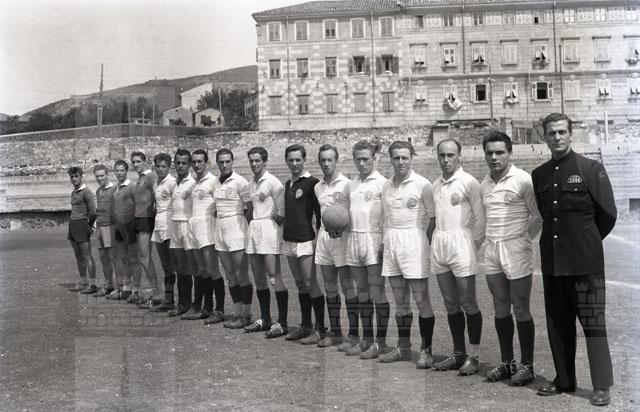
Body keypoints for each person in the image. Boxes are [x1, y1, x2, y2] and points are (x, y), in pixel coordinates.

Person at [532, 113, 616, 407]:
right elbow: (547, 214)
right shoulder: (540, 175)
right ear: (544, 137)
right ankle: (564, 379)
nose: (557, 137)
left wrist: (585, 243)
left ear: (570, 134)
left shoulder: (591, 169)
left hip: (585, 264)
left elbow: (607, 215)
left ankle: (601, 385)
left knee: (593, 323)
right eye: (551, 133)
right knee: (558, 324)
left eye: (561, 132)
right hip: (554, 263)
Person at [479, 132, 541, 385]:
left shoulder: (523, 179)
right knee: (499, 304)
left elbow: (537, 216)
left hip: (516, 248)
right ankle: (507, 363)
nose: (494, 157)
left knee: (520, 306)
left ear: (510, 153)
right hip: (492, 248)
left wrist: (524, 239)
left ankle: (527, 366)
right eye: (490, 153)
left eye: (500, 152)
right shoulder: (484, 183)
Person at [429, 139, 485, 375]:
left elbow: (480, 218)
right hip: (440, 243)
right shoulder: (435, 185)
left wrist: (473, 244)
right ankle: (458, 353)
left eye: (450, 155)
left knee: (468, 301)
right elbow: (433, 219)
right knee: (450, 303)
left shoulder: (469, 182)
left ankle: (475, 355)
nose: (446, 159)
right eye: (442, 155)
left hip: (461, 242)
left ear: (459, 156)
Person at [378, 141, 436, 368]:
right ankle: (403, 348)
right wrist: (384, 243)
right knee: (400, 301)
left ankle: (426, 351)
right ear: (390, 159)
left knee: (421, 299)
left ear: (412, 158)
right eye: (396, 157)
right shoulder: (386, 186)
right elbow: (385, 218)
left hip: (414, 241)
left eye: (405, 157)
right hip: (392, 242)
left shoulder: (423, 184)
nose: (400, 162)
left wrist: (422, 241)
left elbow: (433, 218)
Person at [346, 140, 391, 359]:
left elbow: (388, 217)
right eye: (358, 159)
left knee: (377, 291)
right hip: (354, 239)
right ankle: (366, 339)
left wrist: (383, 242)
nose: (362, 163)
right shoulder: (351, 185)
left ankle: (380, 343)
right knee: (361, 291)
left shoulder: (383, 183)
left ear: (374, 158)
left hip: (374, 239)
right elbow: (346, 214)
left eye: (366, 159)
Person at [313, 144, 359, 349]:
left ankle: (354, 334)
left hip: (342, 239)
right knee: (329, 286)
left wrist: (343, 228)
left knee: (348, 286)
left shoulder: (347, 185)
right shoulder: (318, 187)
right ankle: (336, 332)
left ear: (336, 160)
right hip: (324, 238)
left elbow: (352, 214)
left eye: (329, 160)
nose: (326, 164)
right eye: (323, 160)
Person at [243, 146, 290, 337]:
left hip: (269, 230)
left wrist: (271, 227)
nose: (254, 164)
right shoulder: (251, 183)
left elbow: (282, 212)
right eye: (252, 161)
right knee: (259, 277)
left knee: (273, 276)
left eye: (257, 160)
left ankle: (282, 322)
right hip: (254, 230)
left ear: (265, 161)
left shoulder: (273, 182)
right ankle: (265, 319)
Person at [281, 144, 324, 343]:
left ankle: (320, 329)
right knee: (299, 284)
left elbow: (319, 214)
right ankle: (306, 326)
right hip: (289, 240)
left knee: (310, 283)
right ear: (286, 161)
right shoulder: (287, 184)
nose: (295, 163)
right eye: (291, 160)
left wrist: (316, 239)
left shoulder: (312, 183)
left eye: (298, 159)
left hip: (306, 240)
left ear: (304, 160)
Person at [212, 149, 254, 329]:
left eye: (227, 161)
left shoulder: (240, 181)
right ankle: (237, 312)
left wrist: (247, 228)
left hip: (236, 227)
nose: (224, 165)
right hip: (220, 228)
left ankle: (247, 314)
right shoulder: (215, 182)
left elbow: (250, 208)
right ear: (217, 163)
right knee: (229, 274)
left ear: (232, 161)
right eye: (221, 162)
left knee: (241, 273)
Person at [182, 149, 223, 321]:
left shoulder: (213, 181)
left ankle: (219, 310)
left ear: (207, 163)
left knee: (212, 269)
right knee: (201, 270)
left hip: (207, 226)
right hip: (194, 225)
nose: (196, 165)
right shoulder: (194, 183)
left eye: (200, 161)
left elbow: (220, 203)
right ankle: (206, 307)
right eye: (194, 162)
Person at [167, 149, 198, 317]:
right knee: (180, 267)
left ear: (189, 164)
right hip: (175, 225)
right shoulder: (174, 183)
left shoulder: (193, 182)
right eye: (177, 163)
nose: (180, 166)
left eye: (184, 163)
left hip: (187, 225)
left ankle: (196, 304)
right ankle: (182, 303)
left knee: (192, 266)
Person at [130, 151, 159, 305]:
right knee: (142, 257)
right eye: (133, 162)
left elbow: (157, 195)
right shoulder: (140, 178)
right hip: (139, 218)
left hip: (147, 219)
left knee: (145, 256)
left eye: (138, 161)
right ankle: (152, 290)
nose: (136, 164)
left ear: (145, 161)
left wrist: (156, 214)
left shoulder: (150, 176)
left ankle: (155, 292)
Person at [148, 153, 177, 312]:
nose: (160, 169)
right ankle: (168, 300)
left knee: (174, 265)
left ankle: (179, 300)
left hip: (169, 226)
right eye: (158, 166)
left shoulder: (172, 182)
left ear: (169, 167)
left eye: (163, 166)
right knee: (165, 265)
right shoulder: (156, 184)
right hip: (158, 226)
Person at [108, 159, 139, 301]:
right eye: (117, 170)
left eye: (122, 170)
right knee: (124, 258)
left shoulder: (132, 186)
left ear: (126, 171)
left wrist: (134, 225)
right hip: (118, 227)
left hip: (130, 226)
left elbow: (138, 206)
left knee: (134, 258)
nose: (119, 173)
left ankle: (136, 291)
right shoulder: (114, 189)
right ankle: (127, 288)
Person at [66, 166, 98, 293]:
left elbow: (93, 212)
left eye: (76, 176)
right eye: (72, 177)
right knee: (78, 256)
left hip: (82, 224)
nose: (74, 179)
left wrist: (89, 226)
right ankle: (83, 282)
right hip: (73, 225)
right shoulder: (73, 192)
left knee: (87, 256)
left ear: (81, 176)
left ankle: (93, 285)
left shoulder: (87, 192)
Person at [93, 164, 118, 297]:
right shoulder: (98, 191)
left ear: (107, 175)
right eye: (97, 176)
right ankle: (109, 285)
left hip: (110, 226)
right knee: (103, 258)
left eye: (102, 175)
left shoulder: (114, 189)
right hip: (100, 227)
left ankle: (119, 287)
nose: (100, 178)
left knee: (114, 258)